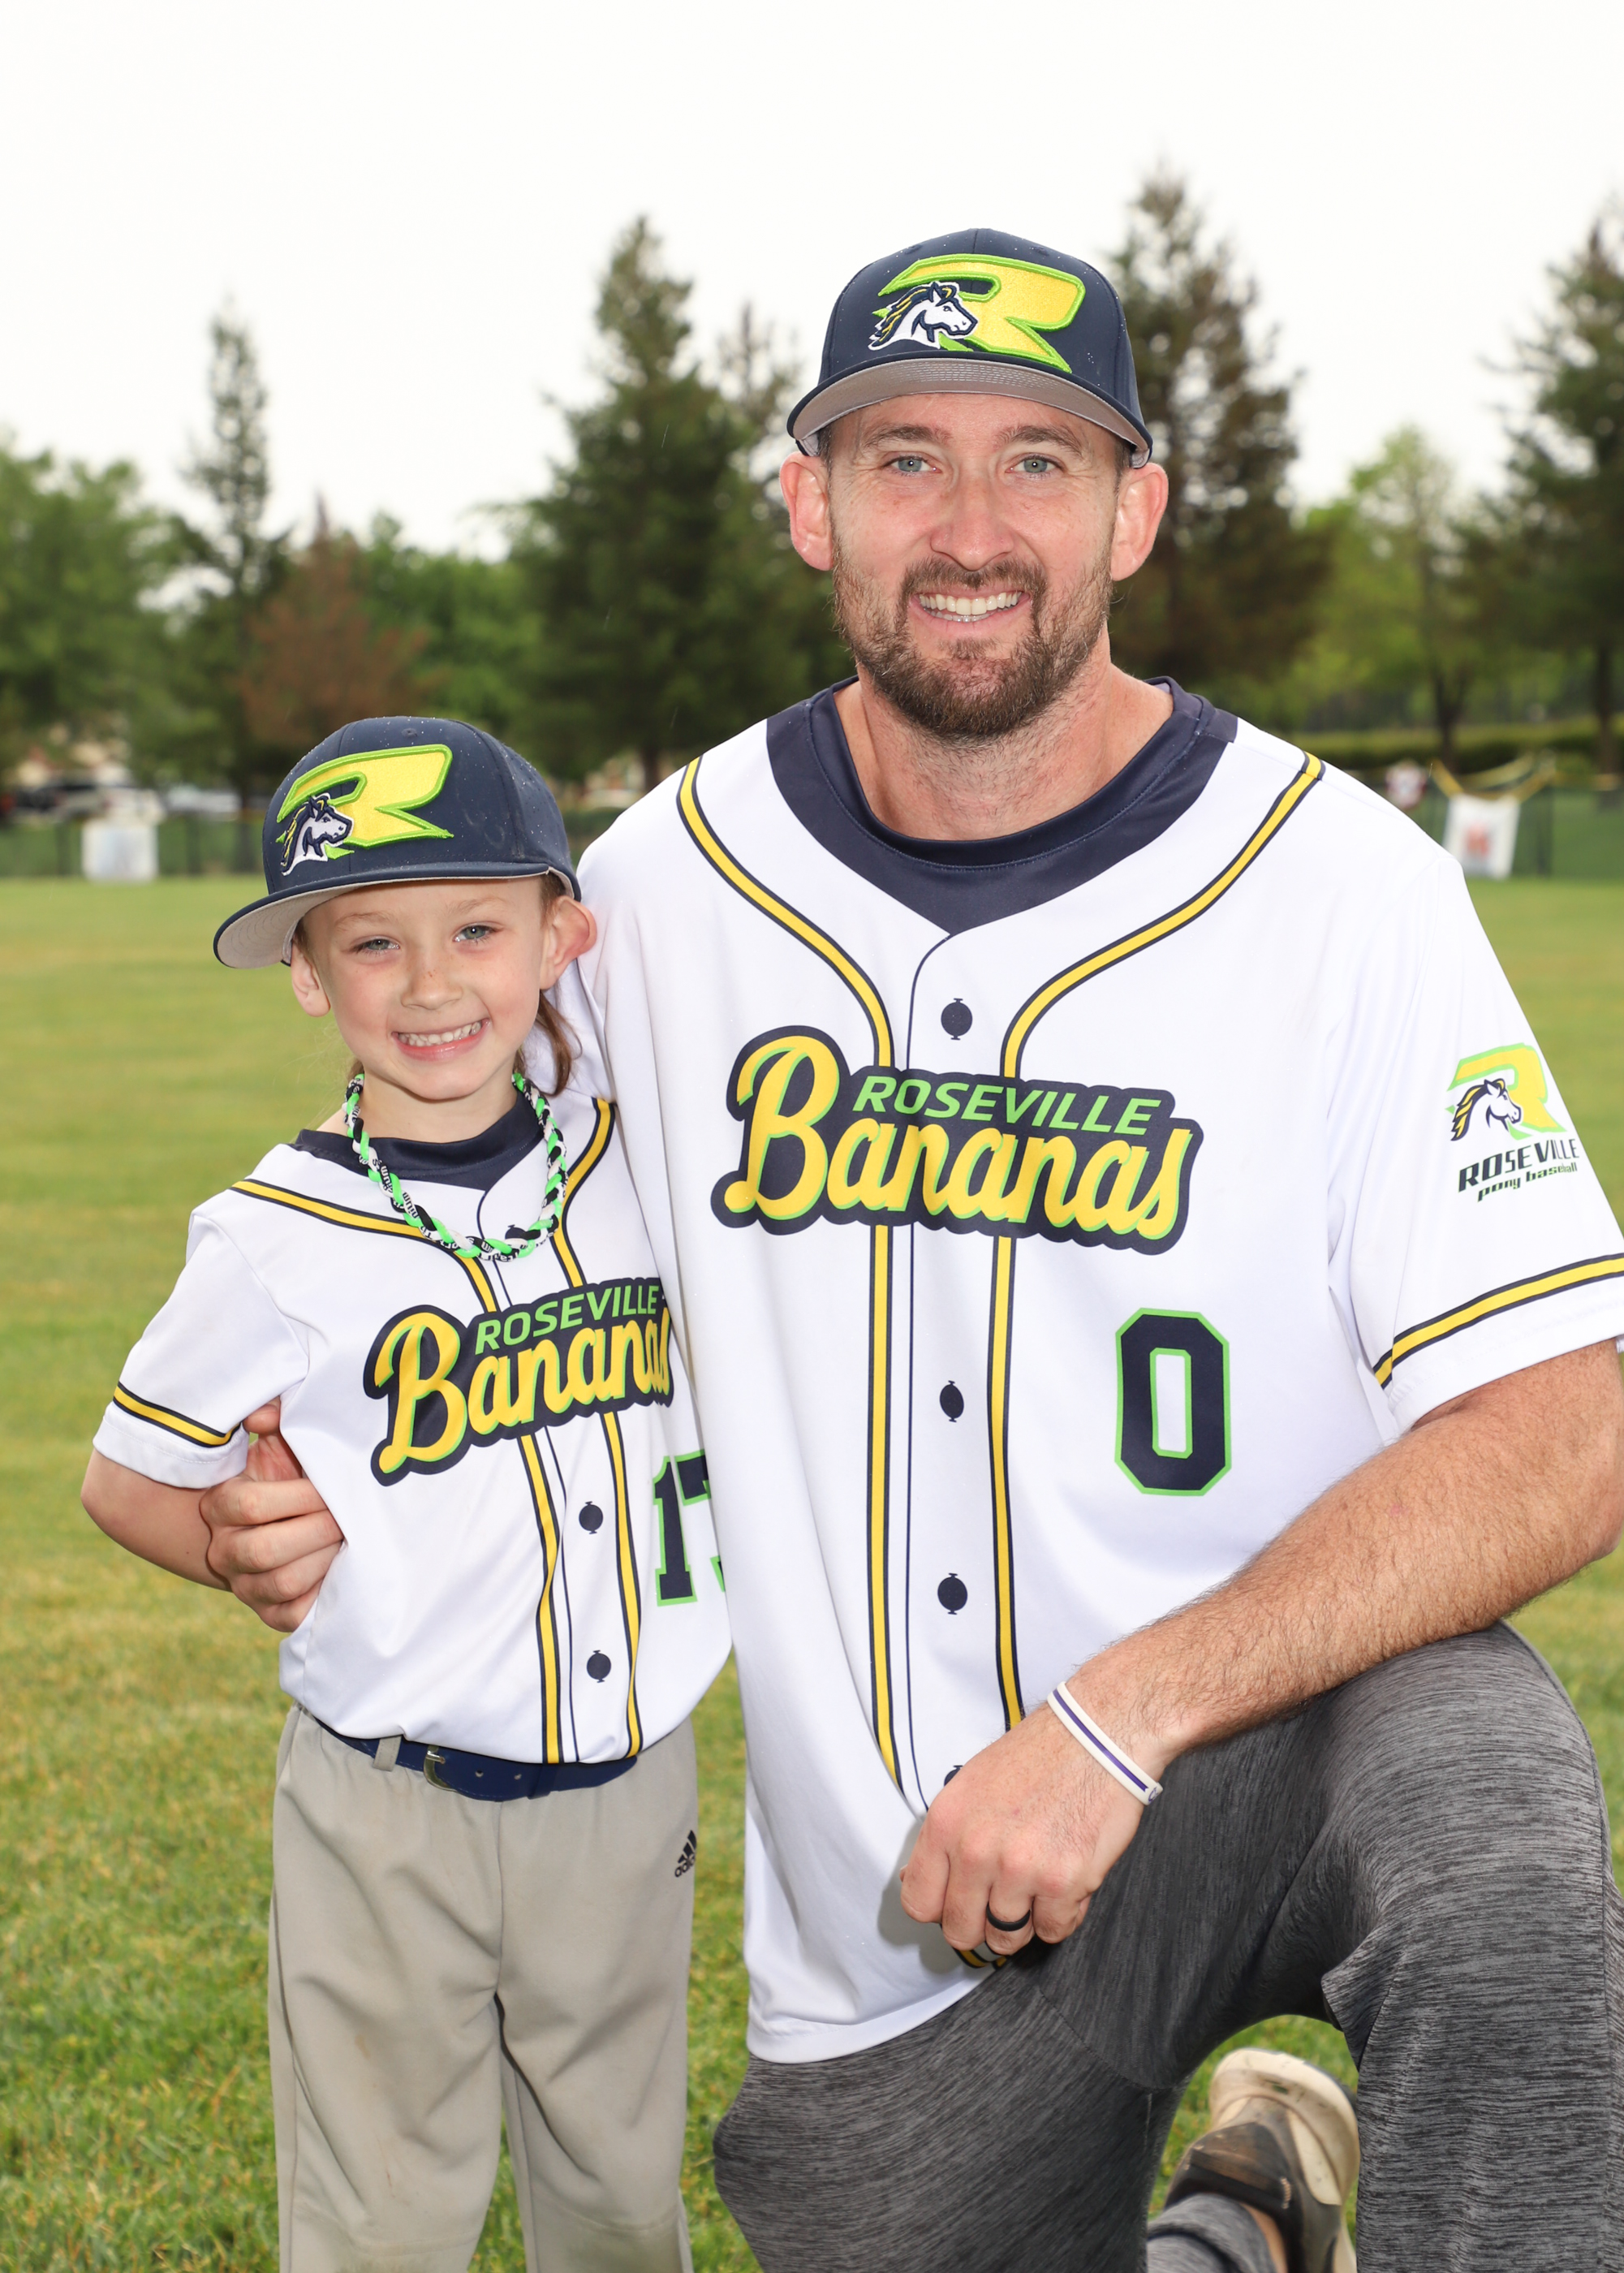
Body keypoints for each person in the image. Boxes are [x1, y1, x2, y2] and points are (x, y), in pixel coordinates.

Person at [203, 234, 1624, 2273]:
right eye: (901, 460)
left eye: (1037, 459)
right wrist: (308, 1474)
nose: (968, 527)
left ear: (1132, 508)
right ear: (811, 505)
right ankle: (1240, 2221)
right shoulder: (656, 893)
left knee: (1490, 1817)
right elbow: (468, 1205)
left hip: (1270, 1741)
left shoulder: (1342, 887)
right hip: (901, 1921)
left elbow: (1561, 1425)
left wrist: (1118, 1717)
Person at [82, 716, 728, 2273]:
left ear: (562, 940)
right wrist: (242, 1551)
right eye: (374, 941)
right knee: (380, 2220)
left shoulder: (636, 1163)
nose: (431, 983)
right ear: (308, 974)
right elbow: (126, 1480)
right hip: (385, 1803)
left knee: (621, 2202)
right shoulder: (272, 1234)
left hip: (626, 1786)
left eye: (478, 929)